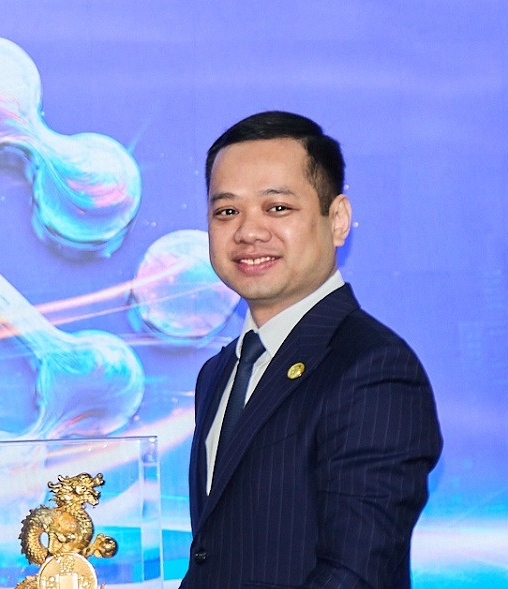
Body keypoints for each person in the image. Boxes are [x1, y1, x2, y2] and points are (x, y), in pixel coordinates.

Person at [184, 111, 442, 589]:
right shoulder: (218, 373)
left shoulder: (374, 367)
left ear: (337, 219)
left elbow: (354, 573)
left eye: (277, 207)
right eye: (227, 212)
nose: (248, 232)